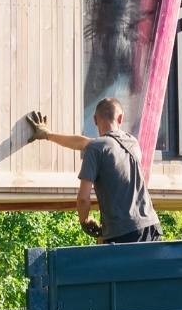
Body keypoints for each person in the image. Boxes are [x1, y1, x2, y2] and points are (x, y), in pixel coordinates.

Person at [26, 99, 162, 244]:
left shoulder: (96, 148)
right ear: (121, 118)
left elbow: (83, 198)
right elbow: (84, 143)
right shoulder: (132, 142)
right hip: (151, 227)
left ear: (95, 120)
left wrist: (85, 221)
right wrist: (48, 134)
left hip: (123, 234)